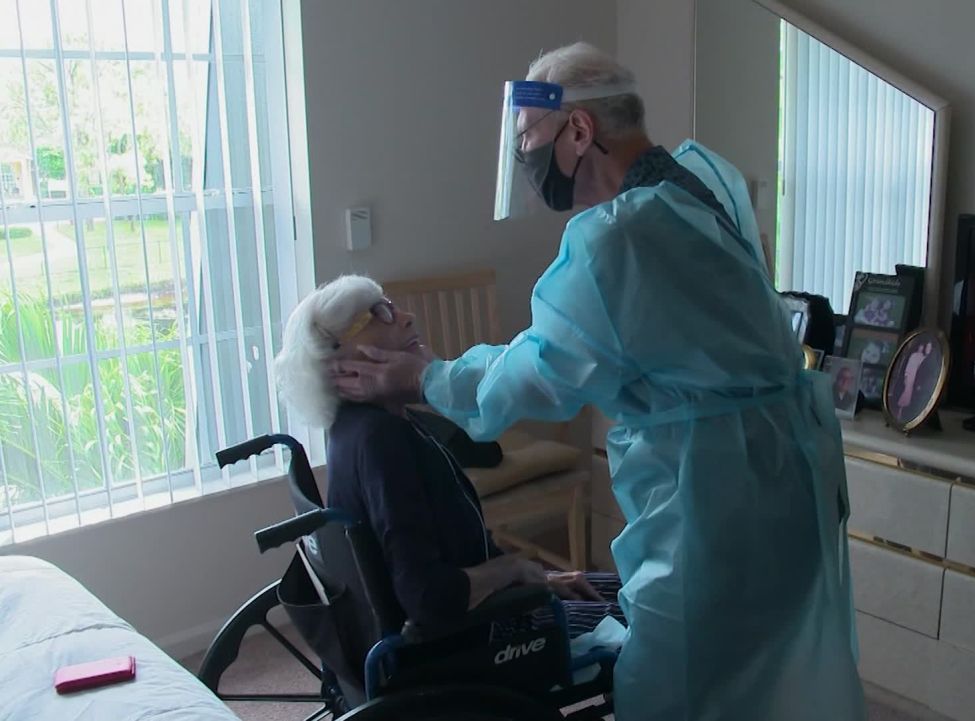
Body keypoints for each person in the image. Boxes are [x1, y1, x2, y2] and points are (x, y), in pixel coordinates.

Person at [331, 43, 865, 721]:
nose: (525, 162)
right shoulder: (707, 178)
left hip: (719, 494)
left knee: (682, 677)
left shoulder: (621, 238)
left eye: (529, 140)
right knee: (767, 666)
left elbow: (533, 373)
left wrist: (427, 376)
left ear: (579, 131)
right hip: (788, 471)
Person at [273, 275, 626, 647]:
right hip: (484, 635)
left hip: (492, 604)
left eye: (392, 306)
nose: (407, 317)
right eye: (379, 314)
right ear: (339, 363)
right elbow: (428, 597)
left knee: (636, 590)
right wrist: (516, 569)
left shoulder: (364, 426)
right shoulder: (381, 440)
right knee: (665, 613)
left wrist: (537, 576)